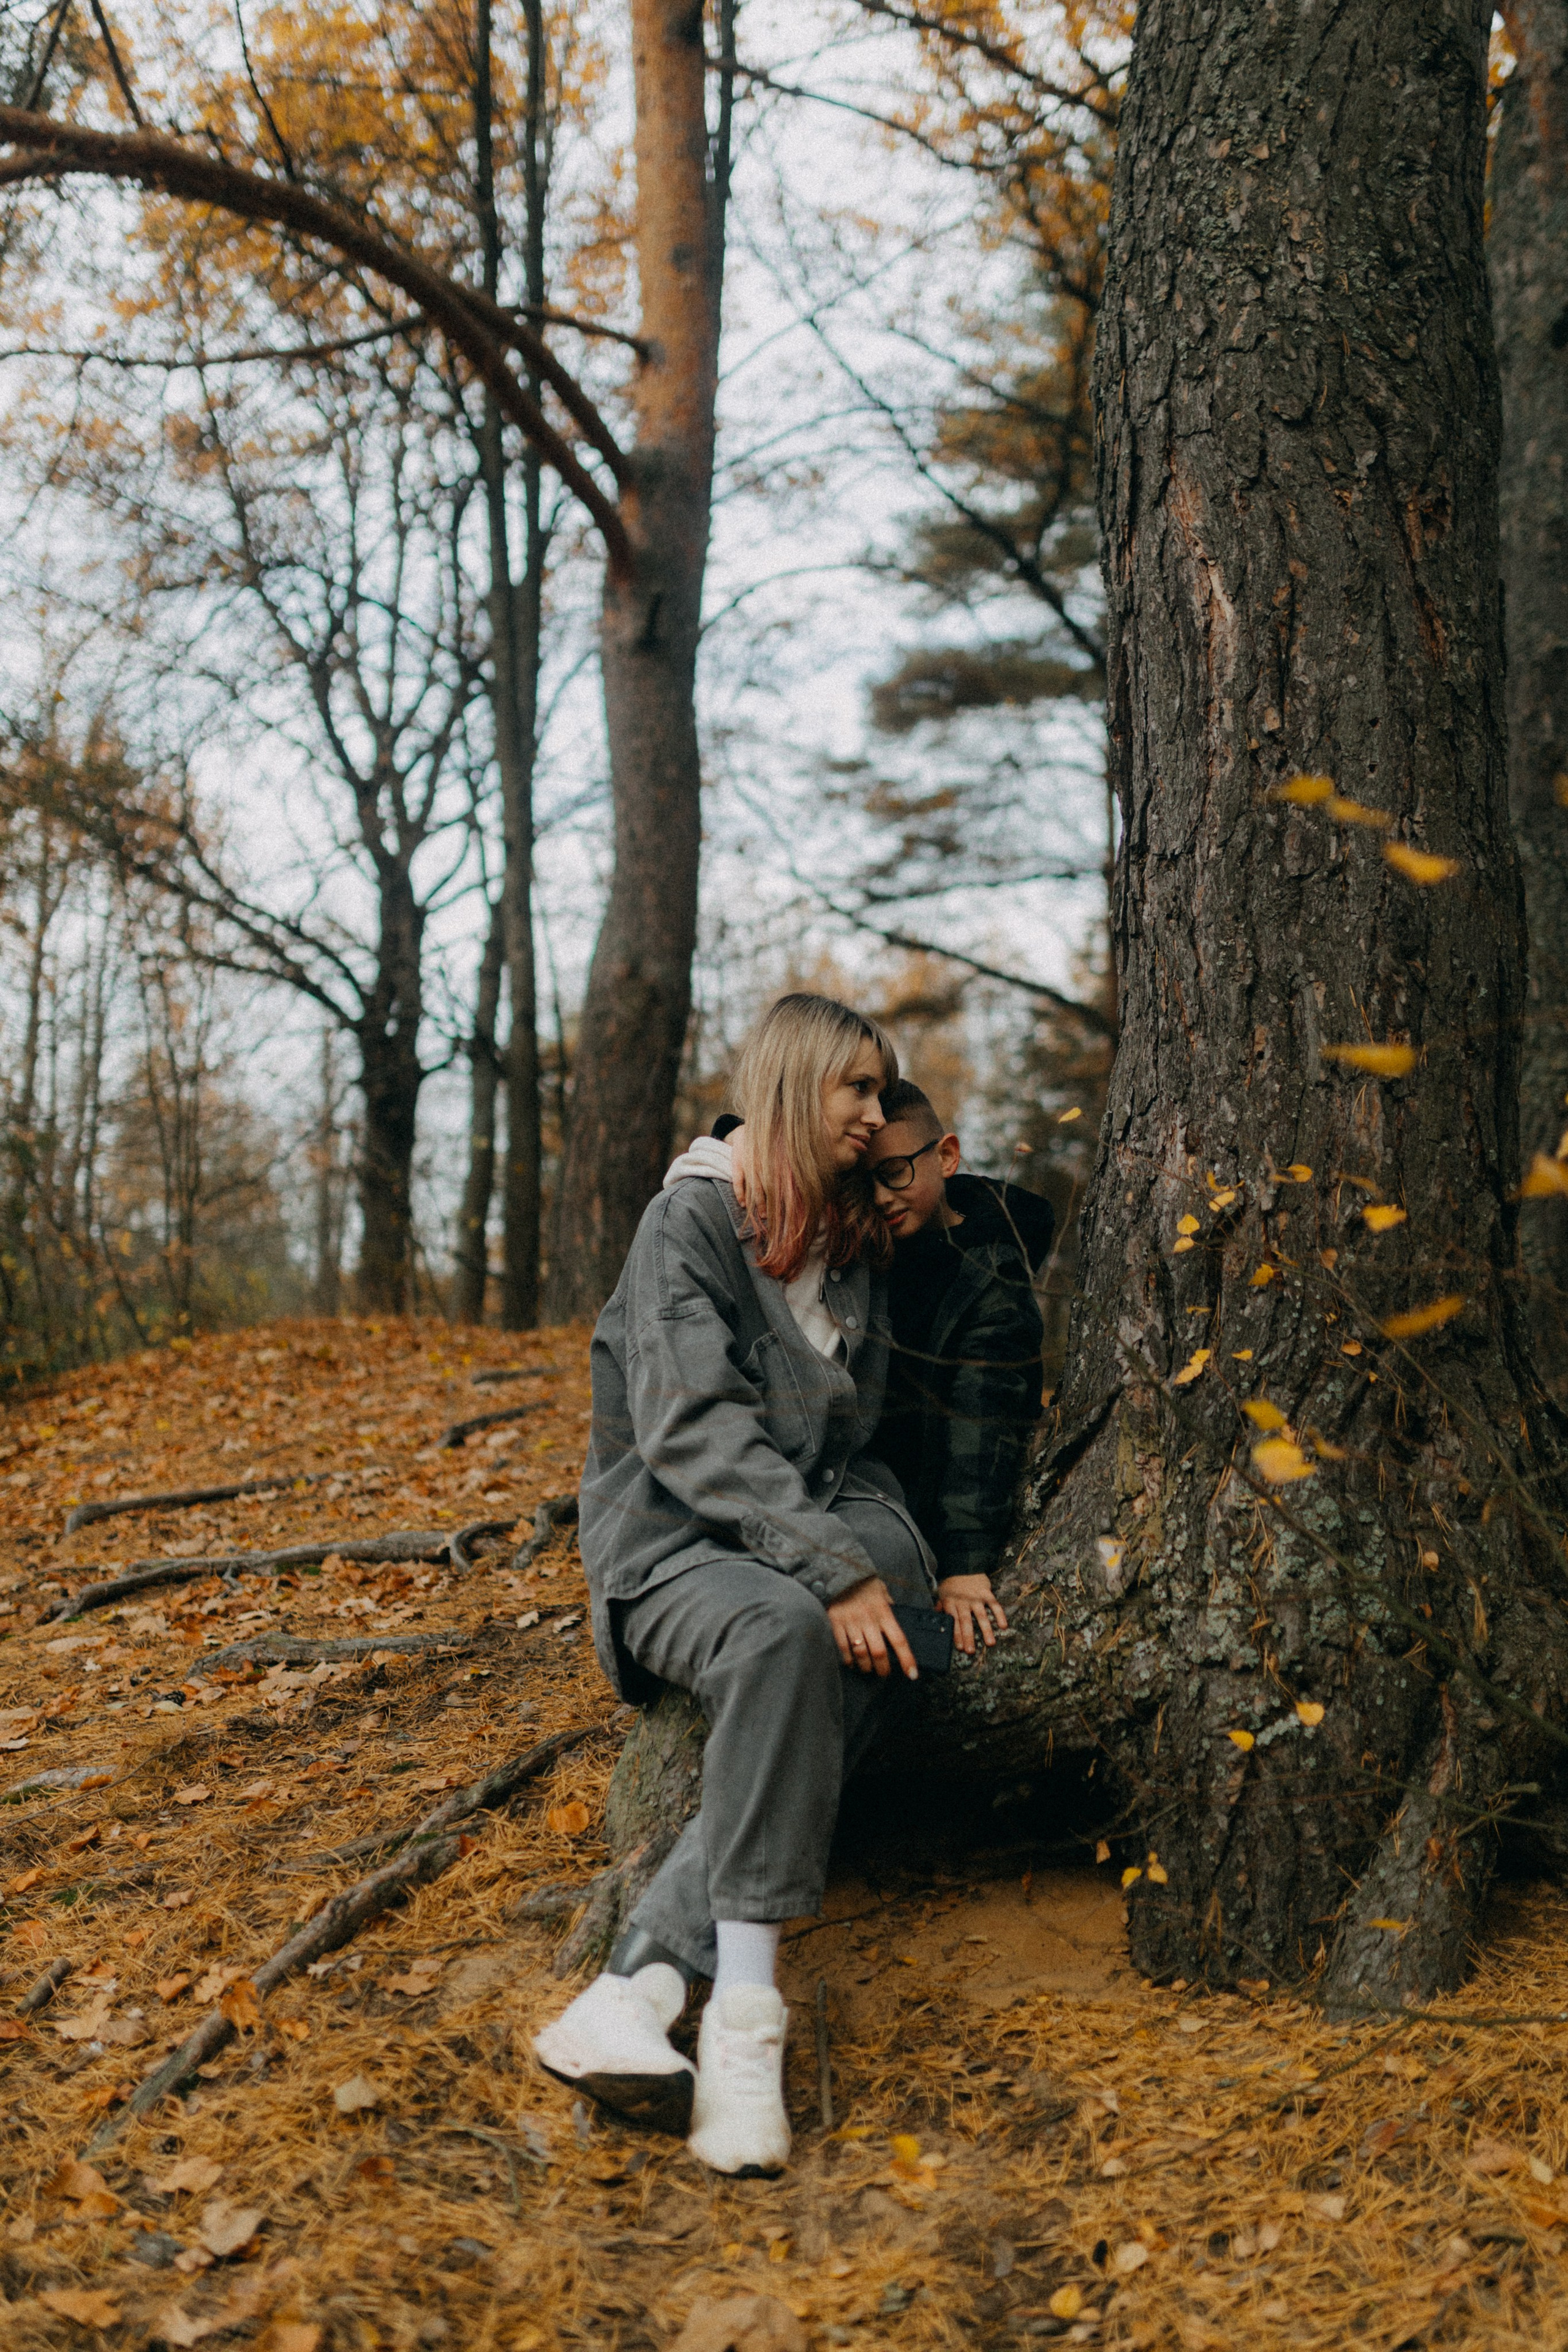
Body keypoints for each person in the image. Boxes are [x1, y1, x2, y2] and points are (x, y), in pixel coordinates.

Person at [532, 994, 938, 2179]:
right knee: (780, 1633)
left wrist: (880, 1561)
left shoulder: (844, 1242)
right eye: (854, 1089)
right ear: (791, 1082)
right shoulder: (690, 1224)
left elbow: (849, 1441)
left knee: (905, 1615)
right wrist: (833, 1572)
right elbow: (697, 1430)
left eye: (883, 1090)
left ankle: (643, 1982)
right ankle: (743, 2020)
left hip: (786, 1531)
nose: (876, 1112)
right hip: (673, 1552)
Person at [864, 1079, 1052, 1651]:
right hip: (861, 1499)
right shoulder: (860, 1251)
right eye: (862, 1182)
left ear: (946, 1157)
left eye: (894, 1171)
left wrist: (965, 1560)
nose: (880, 1197)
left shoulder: (988, 1273)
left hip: (930, 1518)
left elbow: (984, 1413)